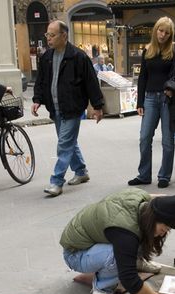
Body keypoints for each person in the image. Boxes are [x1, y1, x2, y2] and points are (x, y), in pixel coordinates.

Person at [59, 188, 175, 294]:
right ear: (155, 218)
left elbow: (159, 199)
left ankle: (132, 261)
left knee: (137, 235)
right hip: (76, 254)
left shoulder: (143, 201)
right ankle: (103, 287)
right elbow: (129, 279)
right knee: (117, 253)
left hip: (98, 240)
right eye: (164, 228)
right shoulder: (124, 231)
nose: (164, 233)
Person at [32, 20, 104, 198]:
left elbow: (91, 83)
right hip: (55, 108)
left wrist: (98, 106)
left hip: (73, 107)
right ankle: (81, 171)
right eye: (47, 35)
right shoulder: (47, 57)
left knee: (64, 144)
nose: (48, 38)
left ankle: (56, 181)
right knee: (69, 142)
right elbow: (41, 81)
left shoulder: (78, 57)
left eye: (52, 35)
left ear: (64, 36)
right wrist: (36, 100)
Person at [127, 17, 175, 189]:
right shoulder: (148, 49)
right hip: (149, 98)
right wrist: (139, 102)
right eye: (160, 30)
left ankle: (164, 176)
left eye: (167, 32)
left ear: (170, 34)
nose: (163, 35)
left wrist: (174, 87)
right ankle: (144, 174)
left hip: (168, 99)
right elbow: (143, 77)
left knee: (168, 140)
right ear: (155, 30)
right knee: (144, 137)